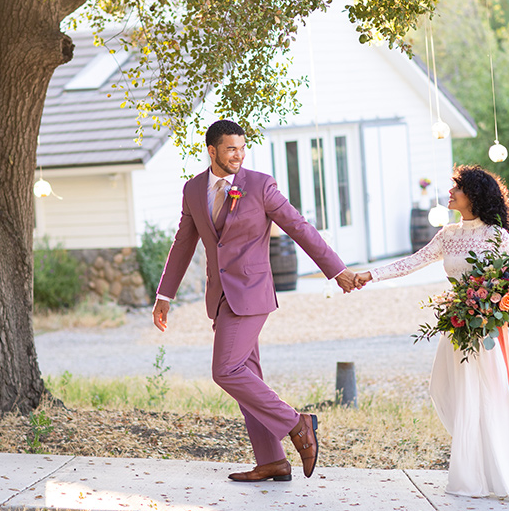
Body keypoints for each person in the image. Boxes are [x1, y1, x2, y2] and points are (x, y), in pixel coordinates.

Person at [152, 119, 356, 483]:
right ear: (212, 150)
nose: (238, 155)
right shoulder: (194, 190)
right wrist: (164, 295)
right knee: (247, 375)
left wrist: (335, 270)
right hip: (220, 297)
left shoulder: (260, 185)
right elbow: (183, 243)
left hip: (252, 293)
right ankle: (272, 461)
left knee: (225, 370)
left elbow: (299, 227)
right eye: (231, 148)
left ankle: (297, 424)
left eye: (242, 148)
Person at [354, 164, 509, 502]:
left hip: (485, 329)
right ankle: (474, 466)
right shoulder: (448, 234)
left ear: (474, 196)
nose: (449, 192)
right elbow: (412, 261)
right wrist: (369, 276)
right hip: (457, 325)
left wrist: (491, 308)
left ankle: (489, 474)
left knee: (487, 394)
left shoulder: (495, 236)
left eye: (457, 188)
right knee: (447, 387)